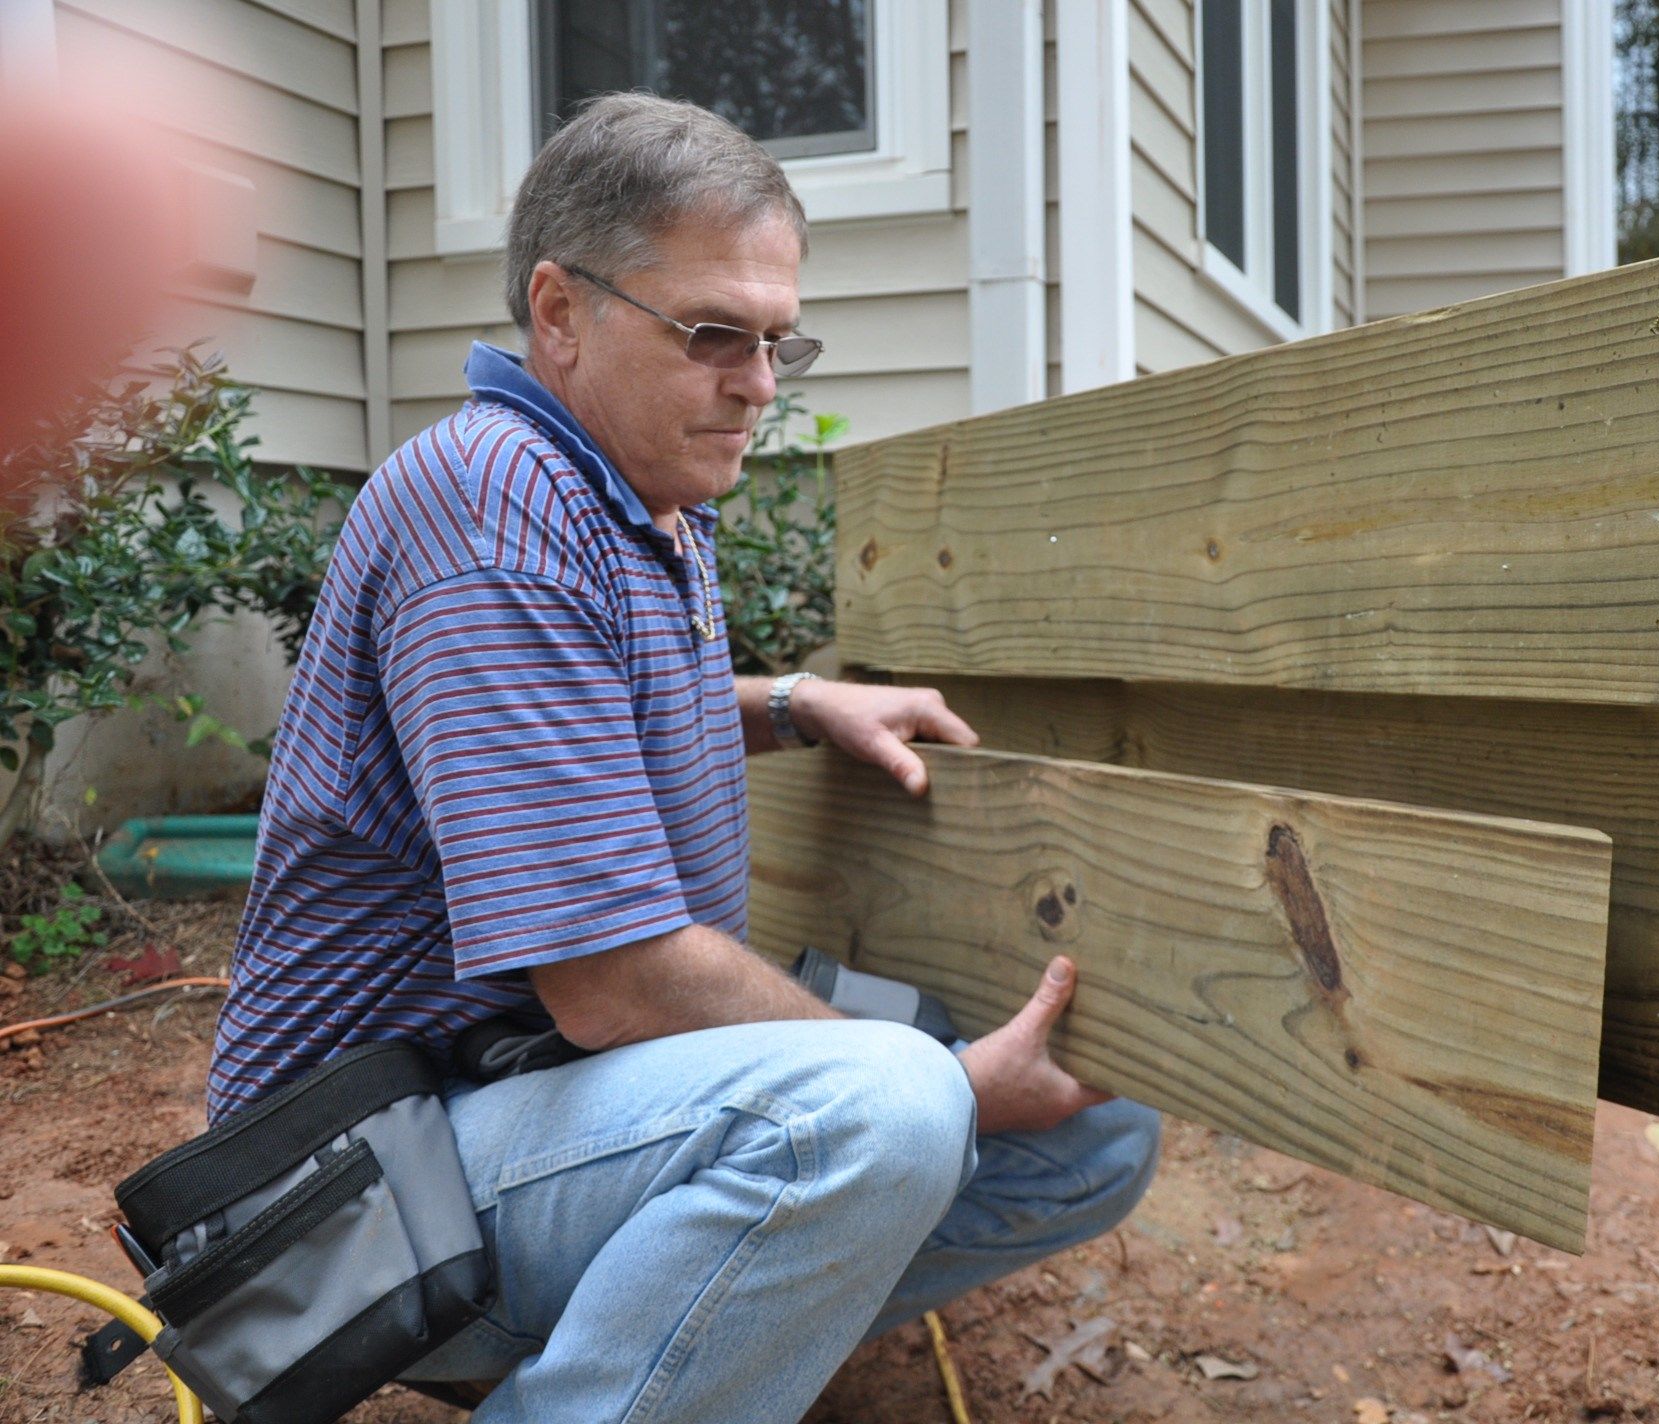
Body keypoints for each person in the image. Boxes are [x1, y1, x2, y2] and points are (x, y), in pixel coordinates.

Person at [208, 93, 1161, 1424]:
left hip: (525, 1106)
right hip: (342, 1198)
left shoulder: (639, 494)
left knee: (1094, 1131)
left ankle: (686, 1362)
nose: (761, 387)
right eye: (715, 333)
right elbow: (613, 982)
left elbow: (576, 710)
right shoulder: (492, 499)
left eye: (780, 342)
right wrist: (944, 1092)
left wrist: (791, 703)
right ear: (558, 313)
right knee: (882, 1110)